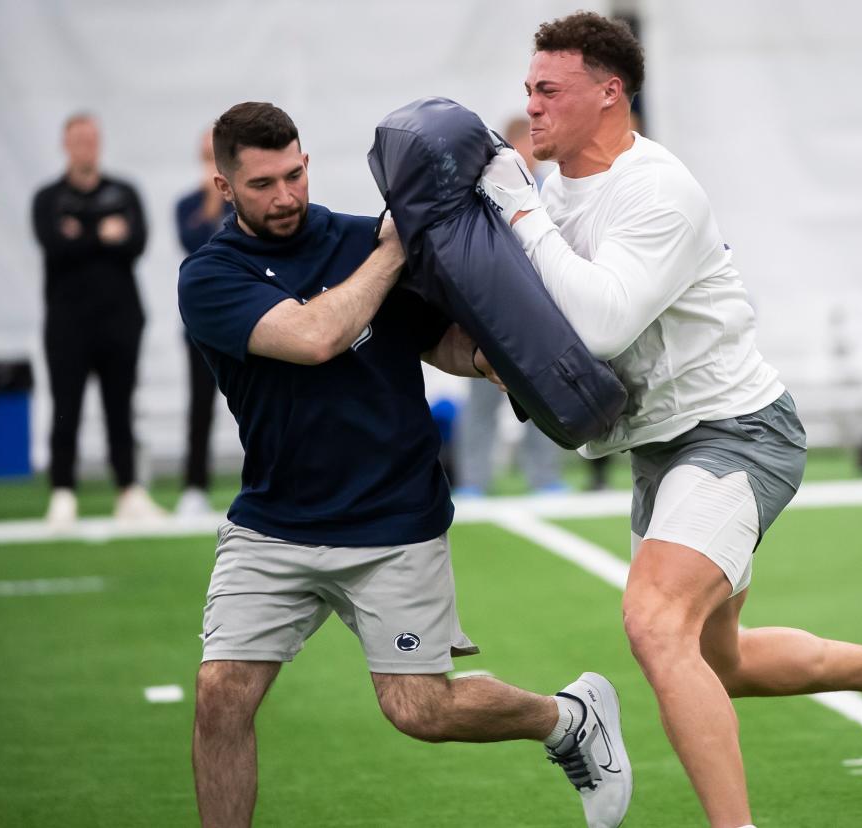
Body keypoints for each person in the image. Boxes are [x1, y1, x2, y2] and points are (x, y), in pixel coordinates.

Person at [477, 13, 862, 827]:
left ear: (609, 94)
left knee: (652, 621)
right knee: (726, 661)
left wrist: (521, 214)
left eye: (548, 90)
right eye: (528, 90)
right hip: (660, 449)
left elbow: (601, 324)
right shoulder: (553, 188)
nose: (529, 107)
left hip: (737, 434)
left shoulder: (657, 188)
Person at [178, 102, 630, 828]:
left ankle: (567, 718)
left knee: (420, 709)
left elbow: (437, 342)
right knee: (220, 693)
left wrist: (498, 362)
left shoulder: (354, 236)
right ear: (225, 186)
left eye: (294, 174)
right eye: (262, 184)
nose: (286, 195)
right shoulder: (210, 278)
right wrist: (394, 250)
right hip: (275, 524)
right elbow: (315, 335)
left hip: (395, 518)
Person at [31, 113, 164, 526]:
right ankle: (63, 493)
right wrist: (103, 234)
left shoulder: (124, 191)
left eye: (91, 139)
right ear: (65, 144)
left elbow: (137, 242)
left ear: (99, 143)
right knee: (65, 406)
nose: (85, 147)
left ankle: (129, 491)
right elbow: (55, 246)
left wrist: (81, 234)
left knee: (120, 406)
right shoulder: (48, 198)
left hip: (120, 320)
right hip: (67, 323)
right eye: (77, 140)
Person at [454, 119, 565, 497]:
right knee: (482, 400)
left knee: (543, 399)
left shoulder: (551, 188)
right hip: (493, 309)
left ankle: (545, 477)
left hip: (538, 309)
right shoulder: (484, 191)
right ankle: (472, 481)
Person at [174, 128, 234, 516]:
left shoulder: (246, 199)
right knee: (199, 406)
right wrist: (212, 201)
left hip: (248, 319)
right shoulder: (189, 204)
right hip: (202, 325)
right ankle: (195, 486)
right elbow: (193, 243)